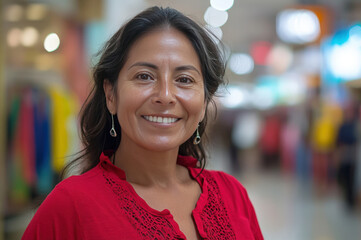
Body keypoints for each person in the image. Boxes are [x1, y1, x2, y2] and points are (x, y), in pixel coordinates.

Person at [22, 6, 263, 240]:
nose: (165, 95)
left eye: (184, 79)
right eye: (144, 76)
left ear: (204, 102)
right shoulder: (69, 206)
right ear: (111, 95)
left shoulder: (232, 194)